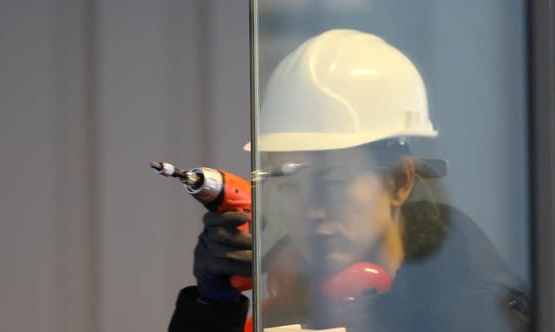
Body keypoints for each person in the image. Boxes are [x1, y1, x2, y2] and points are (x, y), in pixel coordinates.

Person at [168, 29, 529, 332]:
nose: (309, 212)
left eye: (333, 183)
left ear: (400, 183)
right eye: (291, 185)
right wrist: (210, 309)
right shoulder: (296, 298)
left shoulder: (478, 313)